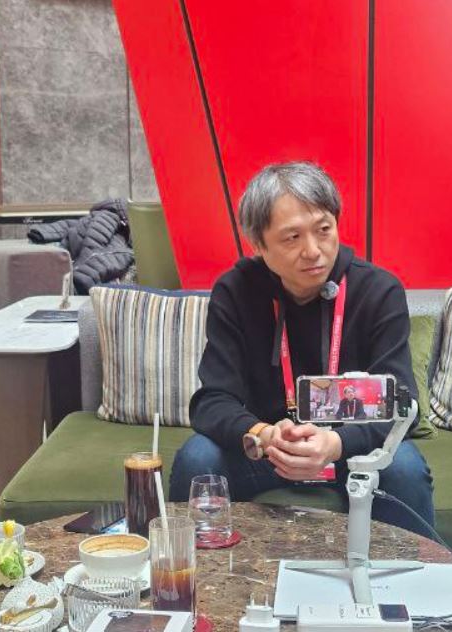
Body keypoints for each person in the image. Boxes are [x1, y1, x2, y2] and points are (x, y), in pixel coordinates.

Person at [169, 161, 434, 536]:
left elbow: (401, 403)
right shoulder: (236, 291)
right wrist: (264, 435)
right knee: (198, 457)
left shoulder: (378, 291)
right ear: (259, 245)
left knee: (404, 467)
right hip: (268, 450)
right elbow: (211, 401)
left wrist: (334, 442)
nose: (313, 251)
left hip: (349, 450)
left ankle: (412, 572)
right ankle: (193, 571)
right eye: (292, 238)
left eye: (324, 230)